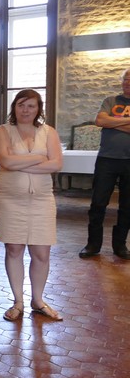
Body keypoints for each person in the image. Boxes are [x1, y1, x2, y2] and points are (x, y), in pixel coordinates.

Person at [0, 89, 64, 322]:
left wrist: (18, 163)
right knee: (14, 249)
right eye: (21, 105)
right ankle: (18, 301)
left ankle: (38, 300)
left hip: (42, 199)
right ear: (14, 107)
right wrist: (40, 158)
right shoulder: (3, 131)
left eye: (31, 106)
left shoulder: (48, 132)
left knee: (41, 252)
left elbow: (57, 165)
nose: (25, 110)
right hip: (10, 199)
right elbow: (5, 161)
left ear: (38, 109)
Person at [79, 68, 130, 261]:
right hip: (107, 159)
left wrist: (114, 121)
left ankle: (120, 245)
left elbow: (107, 121)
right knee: (98, 203)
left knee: (127, 206)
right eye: (126, 79)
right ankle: (93, 244)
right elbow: (100, 120)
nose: (128, 82)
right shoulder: (110, 100)